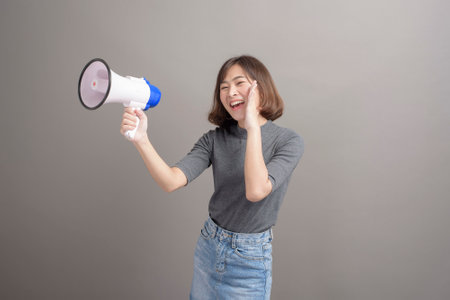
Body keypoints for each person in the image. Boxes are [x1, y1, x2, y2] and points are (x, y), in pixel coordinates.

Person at [120, 55, 304, 299]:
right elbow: (171, 181)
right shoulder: (214, 139)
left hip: (250, 260)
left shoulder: (288, 141)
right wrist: (141, 140)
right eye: (224, 87)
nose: (231, 92)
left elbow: (256, 190)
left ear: (260, 88)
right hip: (210, 247)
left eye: (240, 83)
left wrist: (252, 128)